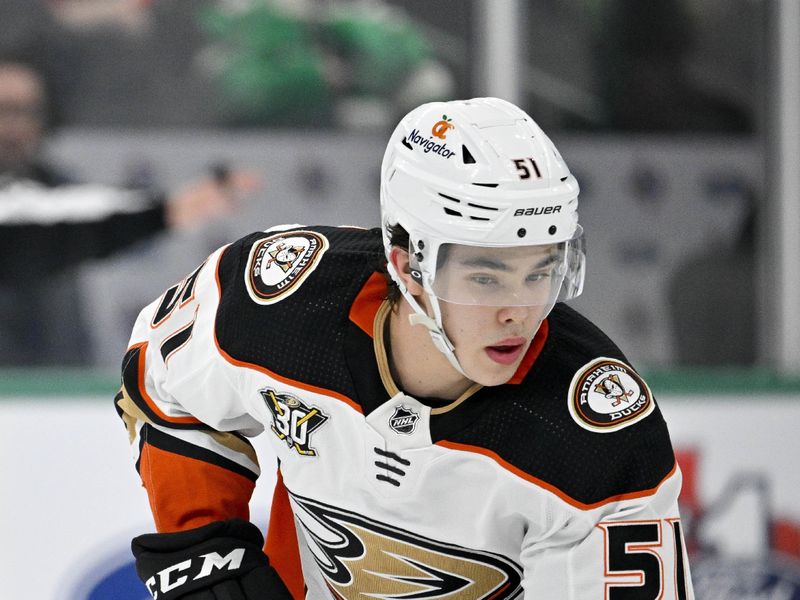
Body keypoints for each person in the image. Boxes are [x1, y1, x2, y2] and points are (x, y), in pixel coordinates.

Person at [116, 98, 693, 598]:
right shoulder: (280, 304)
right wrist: (203, 546)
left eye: (541, 273)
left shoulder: (598, 437)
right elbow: (162, 378)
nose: (519, 311)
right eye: (486, 277)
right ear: (405, 264)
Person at [0, 54, 254, 365]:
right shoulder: (54, 208)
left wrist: (164, 212)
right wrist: (160, 212)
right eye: (4, 110)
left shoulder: (57, 186)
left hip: (53, 374)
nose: (13, 128)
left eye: (28, 112)